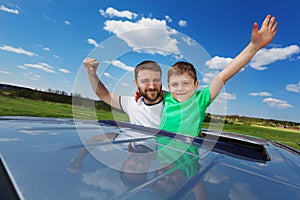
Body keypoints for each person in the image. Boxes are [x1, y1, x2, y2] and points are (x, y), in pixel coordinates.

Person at [159, 14, 278, 137]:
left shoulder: (200, 100)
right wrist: (142, 92)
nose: (179, 88)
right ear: (169, 86)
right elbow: (154, 91)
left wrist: (254, 46)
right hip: (159, 155)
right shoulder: (166, 97)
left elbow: (223, 76)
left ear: (195, 85)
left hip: (187, 155)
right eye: (174, 84)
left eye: (185, 83)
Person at [83, 59, 164, 128]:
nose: (152, 86)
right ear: (136, 83)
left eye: (156, 80)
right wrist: (92, 74)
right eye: (145, 81)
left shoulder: (172, 104)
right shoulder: (131, 103)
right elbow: (104, 94)